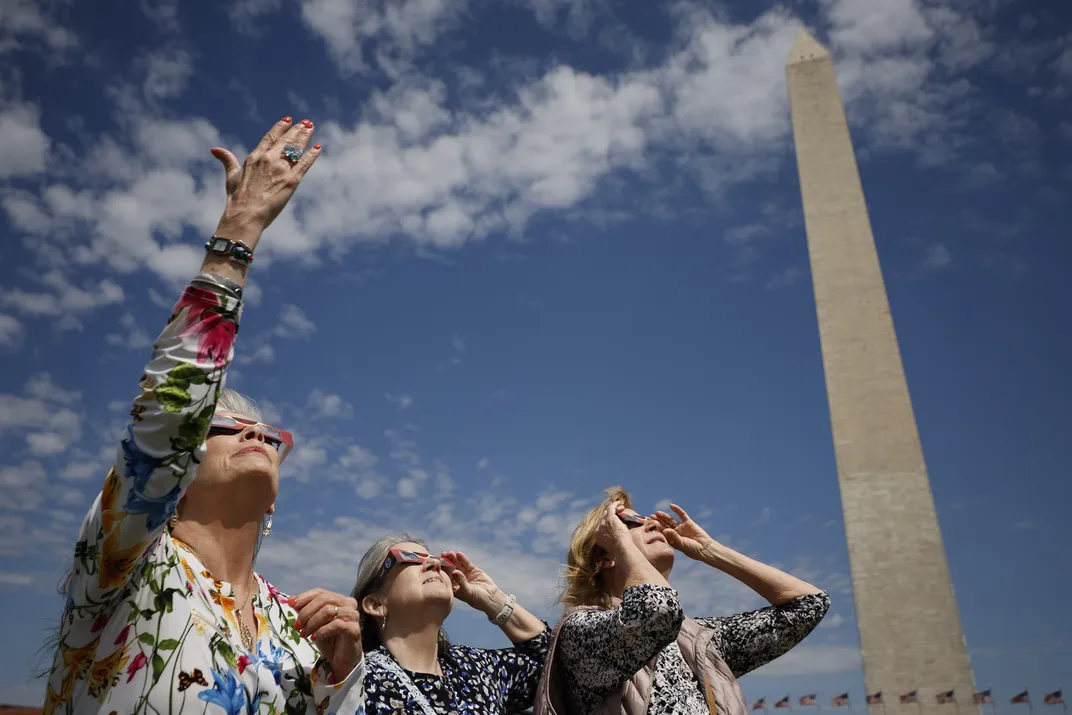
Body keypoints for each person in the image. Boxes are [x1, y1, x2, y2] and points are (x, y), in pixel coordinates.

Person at [41, 117, 367, 715]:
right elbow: (167, 418)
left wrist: (339, 675)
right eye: (225, 426)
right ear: (177, 471)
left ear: (276, 500)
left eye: (270, 434)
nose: (255, 432)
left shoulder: (294, 623)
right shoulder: (129, 564)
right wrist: (239, 231)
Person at [534, 486, 830, 715]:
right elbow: (654, 612)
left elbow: (807, 605)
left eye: (650, 519)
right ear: (604, 558)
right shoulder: (580, 631)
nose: (652, 524)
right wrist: (621, 542)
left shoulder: (696, 640)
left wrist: (710, 550)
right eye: (633, 521)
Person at [351, 533, 549, 713]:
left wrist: (495, 601)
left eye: (438, 561)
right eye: (410, 559)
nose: (434, 565)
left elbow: (560, 662)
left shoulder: (477, 669)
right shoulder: (354, 681)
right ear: (376, 604)